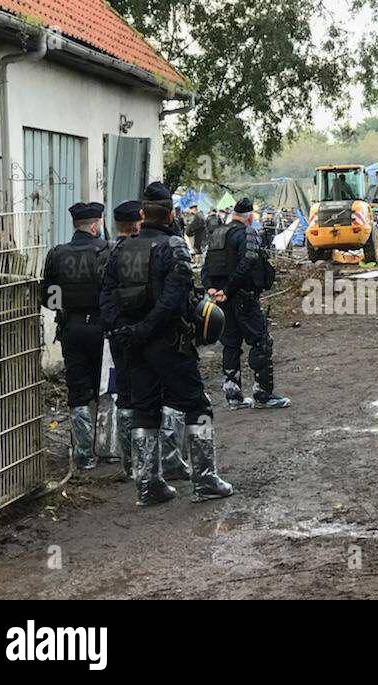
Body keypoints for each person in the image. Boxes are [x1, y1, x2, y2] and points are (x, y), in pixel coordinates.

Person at [100, 181, 233, 506]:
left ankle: (148, 485)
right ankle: (204, 481)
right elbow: (175, 300)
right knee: (197, 406)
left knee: (145, 409)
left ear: (143, 214)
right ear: (171, 213)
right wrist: (146, 328)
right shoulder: (174, 247)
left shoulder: (119, 249)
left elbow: (105, 296)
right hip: (169, 343)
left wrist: (124, 330)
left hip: (134, 345)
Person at [202, 197, 290, 410]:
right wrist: (228, 288)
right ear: (250, 217)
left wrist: (211, 289)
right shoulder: (247, 232)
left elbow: (206, 266)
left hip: (222, 300)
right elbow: (248, 260)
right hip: (243, 297)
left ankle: (234, 396)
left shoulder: (218, 233)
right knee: (261, 341)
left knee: (230, 344)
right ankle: (263, 394)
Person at [41, 202, 109, 470]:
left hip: (72, 329)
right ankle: (107, 448)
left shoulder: (57, 254)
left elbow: (48, 297)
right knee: (105, 386)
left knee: (78, 390)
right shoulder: (105, 250)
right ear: (94, 225)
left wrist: (70, 307)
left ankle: (83, 454)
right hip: (102, 329)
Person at [103, 200, 142, 478]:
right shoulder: (146, 251)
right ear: (138, 223)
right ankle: (149, 463)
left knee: (123, 394)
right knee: (148, 394)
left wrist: (115, 327)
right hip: (144, 333)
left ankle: (128, 463)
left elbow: (103, 296)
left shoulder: (106, 252)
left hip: (117, 334)